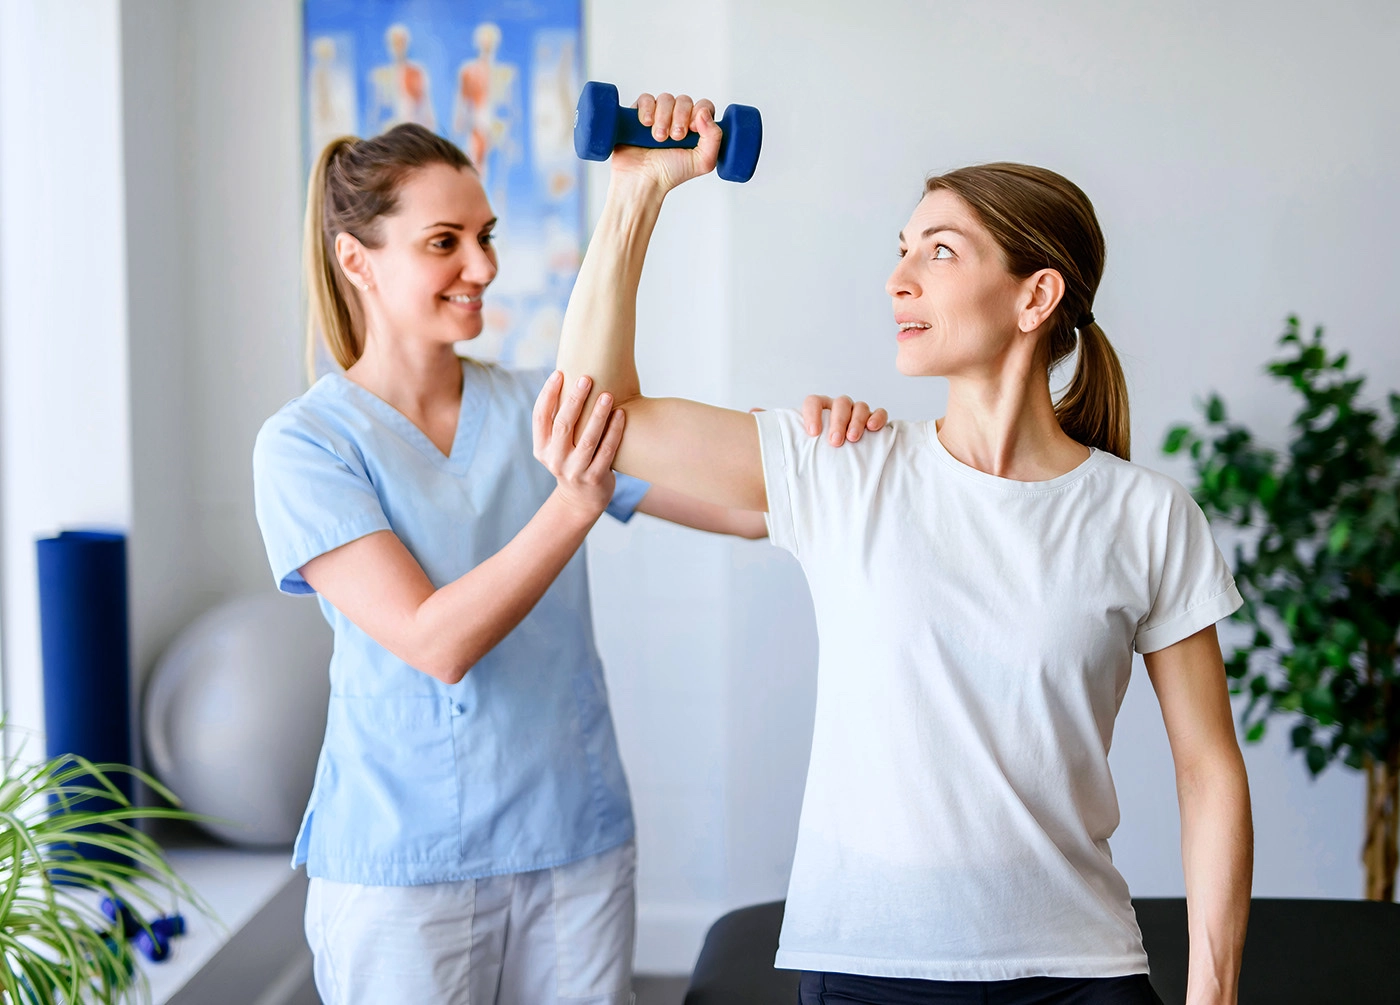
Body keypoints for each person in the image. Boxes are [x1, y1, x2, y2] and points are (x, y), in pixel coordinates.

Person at [549, 92, 1254, 1005]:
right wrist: (637, 194)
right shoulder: (841, 467)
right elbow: (594, 411)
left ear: (1036, 295)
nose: (899, 278)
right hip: (867, 966)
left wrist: (1214, 994)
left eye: (940, 251)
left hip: (1079, 972)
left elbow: (1208, 768)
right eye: (901, 249)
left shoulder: (1147, 515)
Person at [252, 123, 886, 1005]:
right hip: (403, 866)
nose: (482, 266)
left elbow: (747, 514)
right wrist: (575, 501)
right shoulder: (305, 444)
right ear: (357, 259)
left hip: (572, 843)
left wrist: (826, 449)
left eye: (486, 236)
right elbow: (434, 641)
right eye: (446, 242)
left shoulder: (535, 407)